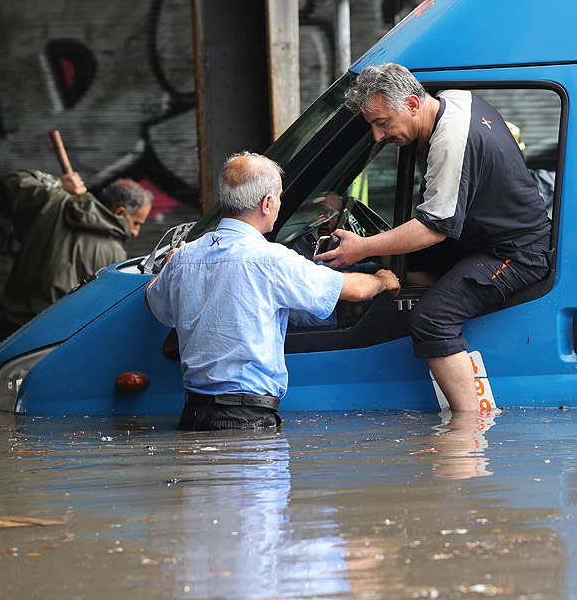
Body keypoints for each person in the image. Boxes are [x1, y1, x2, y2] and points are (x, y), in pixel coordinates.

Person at [316, 63, 551, 412]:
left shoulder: (450, 140)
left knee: (431, 320)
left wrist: (362, 247)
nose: (378, 136)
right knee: (398, 259)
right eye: (373, 126)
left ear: (412, 104)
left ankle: (469, 426)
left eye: (382, 123)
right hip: (481, 239)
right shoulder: (452, 101)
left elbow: (433, 228)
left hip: (517, 253)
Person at [145, 151, 400, 431]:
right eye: (279, 197)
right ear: (267, 203)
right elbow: (353, 290)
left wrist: (168, 265)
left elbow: (151, 299)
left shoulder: (184, 258)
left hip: (192, 416)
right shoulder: (272, 260)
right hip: (246, 420)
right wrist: (383, 279)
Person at [0, 169, 152, 340]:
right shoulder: (116, 254)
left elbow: (11, 180)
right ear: (120, 212)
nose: (136, 232)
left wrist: (58, 184)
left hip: (15, 329)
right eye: (136, 223)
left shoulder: (53, 205)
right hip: (59, 340)